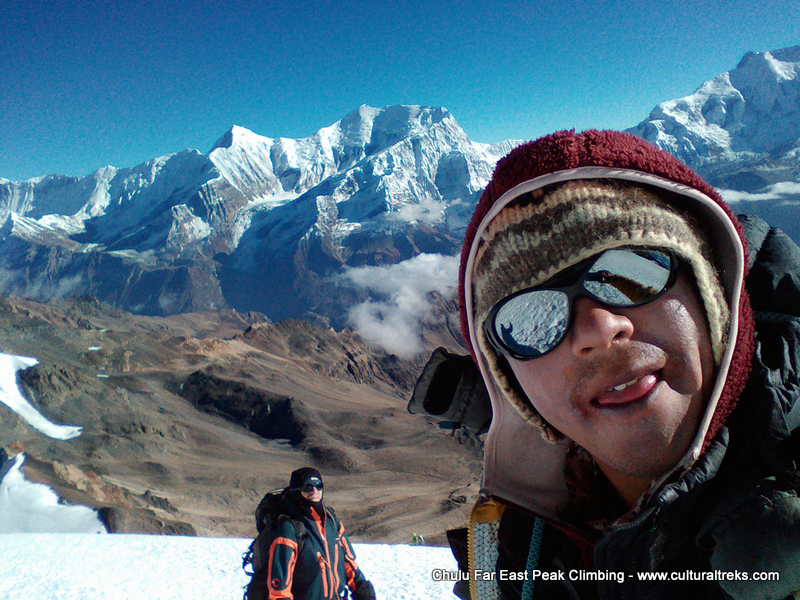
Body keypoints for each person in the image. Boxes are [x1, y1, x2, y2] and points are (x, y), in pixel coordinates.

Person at [446, 130, 800, 599]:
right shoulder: (515, 563)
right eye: (531, 319)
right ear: (510, 380)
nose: (598, 328)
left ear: (713, 297)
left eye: (635, 272)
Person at [259, 467, 375, 600]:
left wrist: (364, 593)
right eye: (307, 487)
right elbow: (280, 589)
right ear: (296, 490)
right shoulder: (289, 527)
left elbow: (350, 565)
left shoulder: (332, 522)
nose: (314, 491)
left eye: (318, 486)